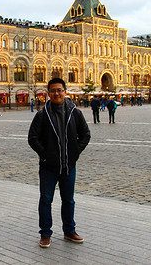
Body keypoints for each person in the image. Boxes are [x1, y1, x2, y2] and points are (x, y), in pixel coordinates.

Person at [28, 78, 91, 248]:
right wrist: (45, 155)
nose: (56, 93)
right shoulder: (42, 114)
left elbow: (85, 134)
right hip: (48, 167)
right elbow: (32, 138)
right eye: (53, 90)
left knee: (68, 200)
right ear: (48, 93)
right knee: (46, 200)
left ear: (65, 91)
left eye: (59, 90)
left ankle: (69, 231)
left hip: (69, 166)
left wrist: (75, 152)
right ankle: (45, 234)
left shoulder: (75, 113)